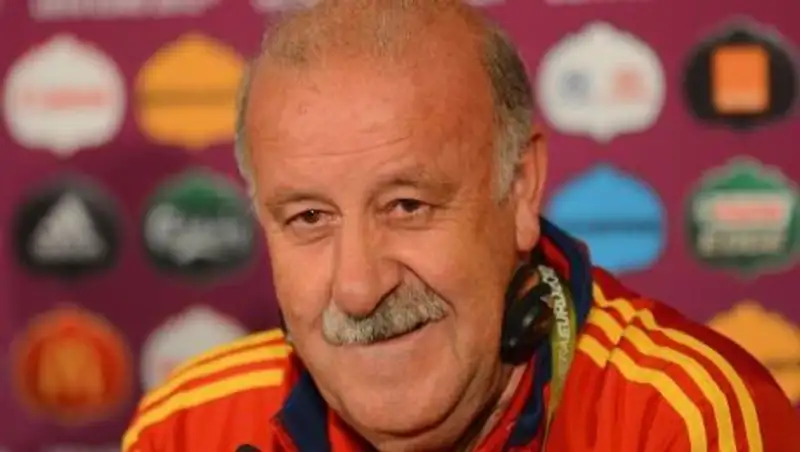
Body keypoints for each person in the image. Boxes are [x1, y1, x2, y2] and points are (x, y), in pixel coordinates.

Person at [122, 1, 798, 451]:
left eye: (407, 206)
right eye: (308, 218)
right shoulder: (187, 430)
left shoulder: (680, 422)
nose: (358, 288)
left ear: (520, 188)